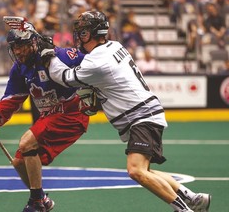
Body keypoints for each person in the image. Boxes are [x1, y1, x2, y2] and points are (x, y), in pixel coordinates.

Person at [40, 11, 211, 212]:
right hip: (144, 113)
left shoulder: (97, 60)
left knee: (136, 171)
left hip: (141, 116)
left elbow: (65, 77)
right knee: (144, 170)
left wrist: (50, 57)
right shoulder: (115, 46)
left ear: (95, 33)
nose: (79, 37)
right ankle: (192, 198)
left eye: (83, 33)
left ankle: (184, 209)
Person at [0, 21, 95, 212]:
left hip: (71, 114)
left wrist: (102, 91)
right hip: (49, 116)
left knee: (26, 144)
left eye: (21, 46)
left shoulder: (58, 55)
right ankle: (41, 199)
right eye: (14, 47)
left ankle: (36, 202)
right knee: (18, 161)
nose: (18, 52)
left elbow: (94, 64)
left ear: (33, 43)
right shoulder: (19, 68)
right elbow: (12, 98)